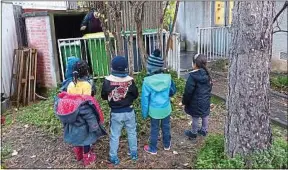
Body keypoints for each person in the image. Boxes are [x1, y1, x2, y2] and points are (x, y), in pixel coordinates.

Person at [54, 60, 106, 166]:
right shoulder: (87, 85)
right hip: (83, 117)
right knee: (86, 138)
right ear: (86, 72)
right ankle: (87, 157)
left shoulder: (70, 84)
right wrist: (94, 125)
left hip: (72, 115)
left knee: (77, 137)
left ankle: (78, 154)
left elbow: (68, 101)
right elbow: (86, 102)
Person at [101, 56, 139, 165]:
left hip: (116, 113)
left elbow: (103, 96)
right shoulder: (130, 81)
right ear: (125, 67)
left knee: (115, 135)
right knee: (132, 132)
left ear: (112, 67)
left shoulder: (108, 81)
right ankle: (134, 154)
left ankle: (113, 157)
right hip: (129, 111)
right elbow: (135, 95)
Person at [141, 49, 176, 155]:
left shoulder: (147, 81)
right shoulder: (168, 78)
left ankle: (153, 148)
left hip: (154, 110)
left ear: (150, 67)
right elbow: (173, 91)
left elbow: (145, 99)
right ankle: (166, 145)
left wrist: (144, 113)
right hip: (165, 108)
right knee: (166, 126)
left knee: (154, 129)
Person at [182, 54, 212, 140]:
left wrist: (184, 101)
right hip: (205, 100)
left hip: (195, 102)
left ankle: (194, 133)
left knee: (195, 117)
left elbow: (188, 92)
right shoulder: (208, 74)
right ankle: (204, 130)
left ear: (195, 64)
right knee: (205, 115)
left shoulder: (192, 76)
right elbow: (210, 87)